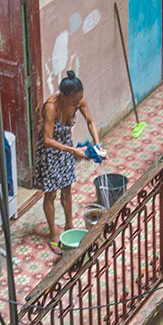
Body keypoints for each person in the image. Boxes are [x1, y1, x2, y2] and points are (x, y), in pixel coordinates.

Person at [33, 71, 100, 253]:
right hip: (51, 150)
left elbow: (91, 122)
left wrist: (98, 143)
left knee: (67, 188)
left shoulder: (79, 100)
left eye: (78, 101)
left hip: (66, 147)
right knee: (51, 193)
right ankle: (53, 233)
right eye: (73, 102)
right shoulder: (51, 107)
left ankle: (69, 225)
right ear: (63, 96)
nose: (76, 104)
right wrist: (74, 151)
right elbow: (47, 139)